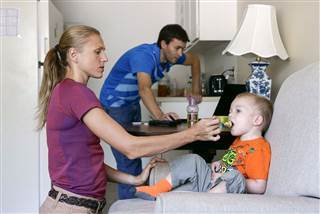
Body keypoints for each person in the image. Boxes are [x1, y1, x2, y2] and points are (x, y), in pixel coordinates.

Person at [37, 25, 221, 213]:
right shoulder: (77, 93)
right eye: (97, 51)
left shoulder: (70, 91)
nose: (105, 58)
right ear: (74, 55)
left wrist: (134, 179)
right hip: (70, 208)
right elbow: (131, 148)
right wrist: (193, 134)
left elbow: (87, 161)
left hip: (75, 204)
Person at [99, 24, 202, 199]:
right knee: (128, 159)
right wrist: (161, 116)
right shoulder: (144, 56)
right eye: (177, 48)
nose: (180, 53)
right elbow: (144, 89)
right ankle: (129, 206)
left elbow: (195, 60)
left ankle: (138, 199)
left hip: (132, 104)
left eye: (182, 49)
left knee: (136, 154)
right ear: (163, 44)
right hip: (114, 105)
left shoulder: (172, 57)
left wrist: (196, 88)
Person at [134, 92, 273, 200]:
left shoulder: (258, 148)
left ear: (257, 120)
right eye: (230, 111)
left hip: (232, 191)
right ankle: (159, 190)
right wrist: (220, 165)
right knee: (194, 159)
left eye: (238, 111)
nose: (230, 115)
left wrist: (227, 175)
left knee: (236, 176)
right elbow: (228, 164)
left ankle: (205, 201)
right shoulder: (238, 143)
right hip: (212, 184)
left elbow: (259, 186)